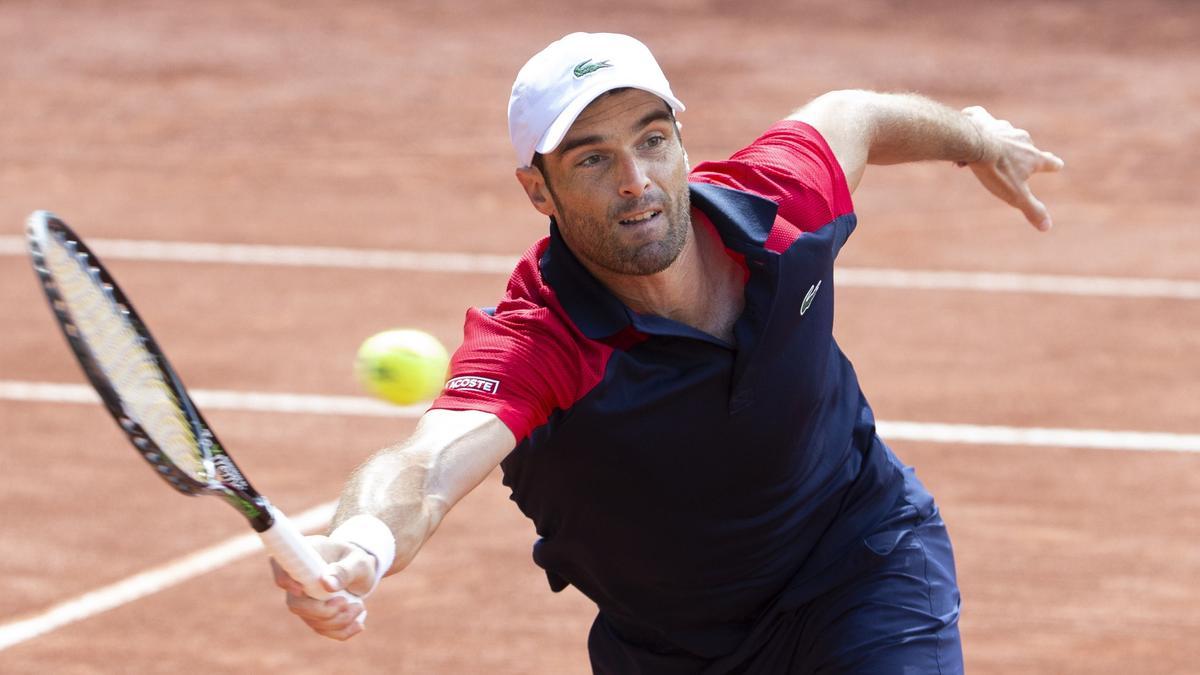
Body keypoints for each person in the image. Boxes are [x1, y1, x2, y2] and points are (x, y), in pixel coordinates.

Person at [273, 32, 1063, 673]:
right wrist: (365, 544)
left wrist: (978, 138)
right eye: (592, 158)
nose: (636, 180)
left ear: (682, 143)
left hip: (861, 564)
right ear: (537, 190)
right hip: (670, 647)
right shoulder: (541, 336)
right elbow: (429, 463)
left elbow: (854, 114)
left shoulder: (777, 204)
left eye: (653, 140)